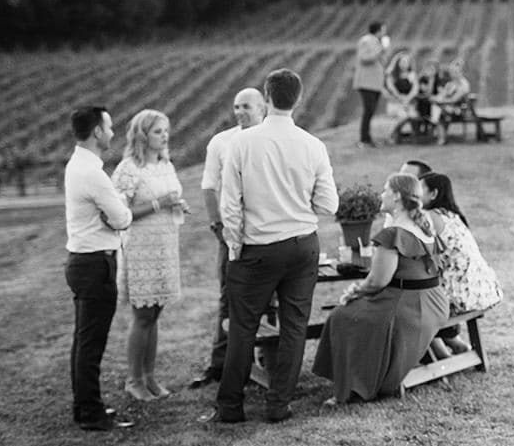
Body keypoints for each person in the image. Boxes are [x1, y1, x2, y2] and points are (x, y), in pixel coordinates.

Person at [213, 68, 339, 424]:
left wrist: (234, 246)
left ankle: (230, 407)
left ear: (266, 98)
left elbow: (230, 205)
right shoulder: (313, 145)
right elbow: (329, 205)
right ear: (298, 100)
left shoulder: (241, 143)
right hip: (301, 245)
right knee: (294, 326)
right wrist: (299, 204)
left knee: (242, 327)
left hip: (256, 248)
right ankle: (278, 404)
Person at [313, 173, 449, 403]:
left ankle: (355, 386)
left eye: (385, 190)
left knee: (342, 316)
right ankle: (359, 377)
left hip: (409, 307)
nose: (381, 195)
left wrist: (353, 292)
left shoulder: (393, 233)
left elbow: (378, 281)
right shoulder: (425, 226)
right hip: (435, 302)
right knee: (356, 313)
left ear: (397, 196)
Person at [188, 88, 268, 390]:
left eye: (246, 106)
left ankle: (263, 360)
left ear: (262, 107)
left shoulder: (272, 139)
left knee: (269, 297)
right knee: (228, 296)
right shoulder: (222, 141)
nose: (239, 112)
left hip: (267, 231)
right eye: (236, 106)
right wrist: (218, 226)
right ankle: (220, 365)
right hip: (232, 232)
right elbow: (209, 186)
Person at [64, 106, 135, 431]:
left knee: (84, 340)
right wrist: (121, 209)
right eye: (108, 127)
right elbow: (121, 218)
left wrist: (115, 207)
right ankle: (90, 412)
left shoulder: (78, 164)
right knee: (91, 342)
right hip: (95, 264)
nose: (112, 133)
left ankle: (85, 406)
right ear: (96, 132)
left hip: (82, 261)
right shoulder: (92, 173)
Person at [111, 109, 187, 401]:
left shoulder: (165, 164)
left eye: (166, 130)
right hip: (141, 247)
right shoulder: (129, 168)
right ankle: (134, 380)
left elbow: (171, 198)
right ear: (143, 135)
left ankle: (150, 377)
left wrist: (177, 205)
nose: (164, 136)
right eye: (157, 131)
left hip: (165, 244)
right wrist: (159, 204)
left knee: (155, 313)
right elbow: (120, 213)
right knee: (143, 314)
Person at [418, 171, 502, 357]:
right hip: (481, 290)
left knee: (414, 305)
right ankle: (450, 349)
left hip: (459, 296)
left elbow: (416, 254)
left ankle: (440, 356)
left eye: (418, 189)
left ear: (433, 194)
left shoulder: (429, 217)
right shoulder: (453, 216)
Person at [353, 21, 390, 147]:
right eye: (383, 30)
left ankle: (367, 138)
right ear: (378, 30)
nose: (384, 33)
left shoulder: (375, 42)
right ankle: (364, 139)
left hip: (374, 83)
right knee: (368, 110)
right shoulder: (366, 41)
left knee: (371, 110)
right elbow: (364, 58)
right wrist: (381, 49)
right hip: (366, 82)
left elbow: (382, 60)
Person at [430, 59, 472, 145]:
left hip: (461, 110)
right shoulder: (450, 84)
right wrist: (435, 98)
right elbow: (442, 95)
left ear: (461, 72)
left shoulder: (463, 84)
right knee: (437, 108)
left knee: (440, 111)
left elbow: (454, 99)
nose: (453, 74)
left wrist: (441, 101)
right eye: (452, 71)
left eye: (455, 71)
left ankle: (441, 138)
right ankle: (441, 136)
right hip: (448, 108)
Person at [383, 49, 418, 118]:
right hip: (395, 103)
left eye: (406, 62)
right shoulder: (392, 75)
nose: (404, 64)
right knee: (403, 116)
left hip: (408, 103)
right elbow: (391, 88)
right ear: (397, 63)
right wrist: (400, 98)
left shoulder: (412, 75)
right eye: (402, 62)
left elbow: (415, 89)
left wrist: (407, 99)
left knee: (413, 116)